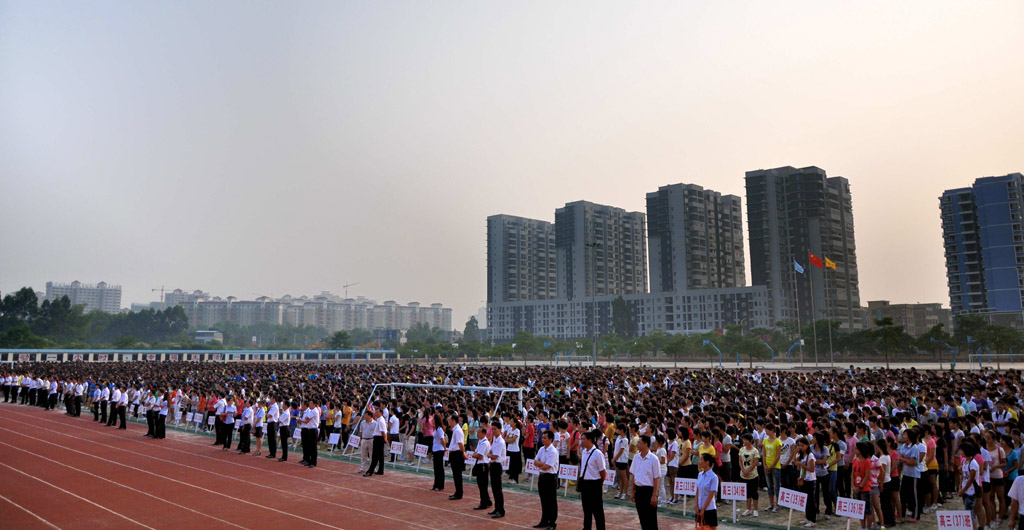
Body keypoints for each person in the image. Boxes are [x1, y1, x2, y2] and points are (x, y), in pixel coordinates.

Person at [630, 434, 660, 530]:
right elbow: (633, 475)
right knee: (642, 518)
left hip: (649, 491)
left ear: (646, 444)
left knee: (651, 519)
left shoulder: (653, 459)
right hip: (638, 491)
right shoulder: (636, 458)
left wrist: (654, 495)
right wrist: (632, 491)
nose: (637, 444)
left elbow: (656, 478)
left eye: (639, 442)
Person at [579, 430, 607, 530]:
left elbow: (603, 472)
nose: (582, 441)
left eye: (583, 439)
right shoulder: (584, 452)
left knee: (597, 511)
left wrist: (599, 484)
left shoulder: (598, 454)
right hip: (585, 483)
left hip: (595, 484)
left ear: (590, 440)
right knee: (586, 510)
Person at [534, 429, 560, 529]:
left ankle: (552, 523)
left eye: (545, 438)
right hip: (542, 476)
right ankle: (544, 520)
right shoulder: (541, 449)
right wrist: (543, 464)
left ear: (550, 439)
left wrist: (541, 464)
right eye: (542, 437)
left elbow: (547, 467)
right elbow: (535, 462)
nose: (543, 439)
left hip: (550, 477)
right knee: (543, 500)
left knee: (551, 501)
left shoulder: (553, 451)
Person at [488, 420, 507, 519]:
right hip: (493, 465)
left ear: (500, 429)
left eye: (495, 429)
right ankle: (496, 508)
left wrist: (489, 455)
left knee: (498, 489)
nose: (493, 431)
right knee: (494, 489)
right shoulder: (495, 439)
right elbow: (491, 450)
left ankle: (501, 510)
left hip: (497, 465)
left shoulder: (500, 441)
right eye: (492, 429)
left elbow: (495, 456)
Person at [739, 433, 761, 517]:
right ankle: (748, 509)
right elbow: (740, 461)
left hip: (753, 475)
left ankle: (755, 509)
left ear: (749, 440)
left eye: (745, 440)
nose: (744, 441)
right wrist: (743, 470)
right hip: (743, 474)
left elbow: (755, 462)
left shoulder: (755, 451)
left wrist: (748, 470)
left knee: (754, 492)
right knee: (747, 492)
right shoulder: (741, 450)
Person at [472, 426, 492, 511]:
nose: (477, 434)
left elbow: (479, 455)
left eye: (478, 432)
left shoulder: (484, 443)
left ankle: (483, 503)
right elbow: (476, 453)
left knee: (482, 485)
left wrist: (475, 455)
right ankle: (487, 501)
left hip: (483, 465)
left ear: (484, 433)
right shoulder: (480, 441)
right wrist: (475, 455)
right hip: (480, 463)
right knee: (481, 485)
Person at [697, 453, 720, 530]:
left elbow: (711, 494)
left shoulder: (714, 477)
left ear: (707, 462)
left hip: (709, 508)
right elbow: (697, 491)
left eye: (701, 460)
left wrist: (703, 509)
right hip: (700, 507)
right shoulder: (700, 475)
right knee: (701, 527)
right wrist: (696, 506)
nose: (699, 461)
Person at [448, 414, 467, 500]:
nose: (449, 422)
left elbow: (460, 443)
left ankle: (459, 493)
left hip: (457, 454)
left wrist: (463, 453)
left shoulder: (457, 430)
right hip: (454, 453)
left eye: (450, 420)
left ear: (453, 421)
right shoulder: (455, 430)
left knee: (457, 474)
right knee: (455, 474)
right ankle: (457, 491)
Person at [365, 408, 387, 476]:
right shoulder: (380, 420)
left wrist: (385, 439)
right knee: (380, 456)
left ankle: (370, 471)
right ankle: (380, 470)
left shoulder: (381, 421)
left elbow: (383, 431)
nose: (375, 413)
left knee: (375, 455)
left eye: (377, 412)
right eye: (375, 412)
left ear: (381, 413)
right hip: (379, 438)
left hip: (379, 438)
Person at [300, 398, 320, 467]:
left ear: (314, 404)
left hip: (313, 429)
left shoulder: (314, 411)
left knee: (313, 447)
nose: (310, 405)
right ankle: (310, 461)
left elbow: (307, 419)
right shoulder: (311, 411)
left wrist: (302, 420)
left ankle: (313, 462)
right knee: (310, 446)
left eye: (311, 403)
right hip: (310, 429)